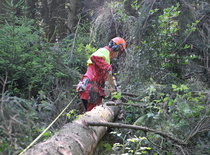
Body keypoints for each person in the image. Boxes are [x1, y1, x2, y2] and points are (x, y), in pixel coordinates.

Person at [76, 37, 127, 112]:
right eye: (119, 51)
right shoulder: (104, 51)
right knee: (91, 116)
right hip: (91, 89)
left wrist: (111, 82)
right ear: (115, 48)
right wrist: (108, 68)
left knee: (88, 114)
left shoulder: (106, 58)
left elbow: (104, 75)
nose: (118, 54)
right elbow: (94, 57)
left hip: (92, 89)